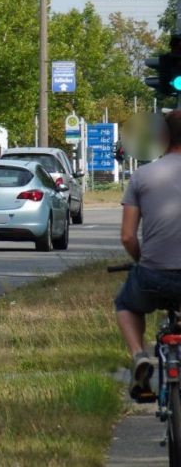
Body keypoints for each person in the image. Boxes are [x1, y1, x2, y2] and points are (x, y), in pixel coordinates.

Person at [116, 109, 181, 400]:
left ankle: (139, 355)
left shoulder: (142, 176)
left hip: (153, 273)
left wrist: (143, 260)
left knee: (126, 304)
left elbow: (128, 236)